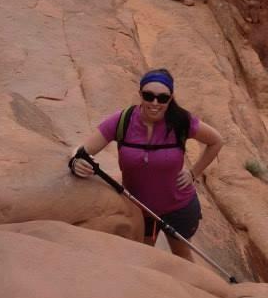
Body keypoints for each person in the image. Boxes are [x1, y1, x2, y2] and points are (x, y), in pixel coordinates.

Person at [69, 68, 223, 261]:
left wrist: (193, 173)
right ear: (140, 94)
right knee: (143, 259)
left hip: (179, 207)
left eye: (162, 98)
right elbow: (82, 150)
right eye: (149, 96)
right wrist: (76, 160)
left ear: (171, 98)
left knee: (182, 258)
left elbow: (216, 141)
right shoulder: (123, 121)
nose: (155, 103)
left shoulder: (181, 121)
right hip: (140, 209)